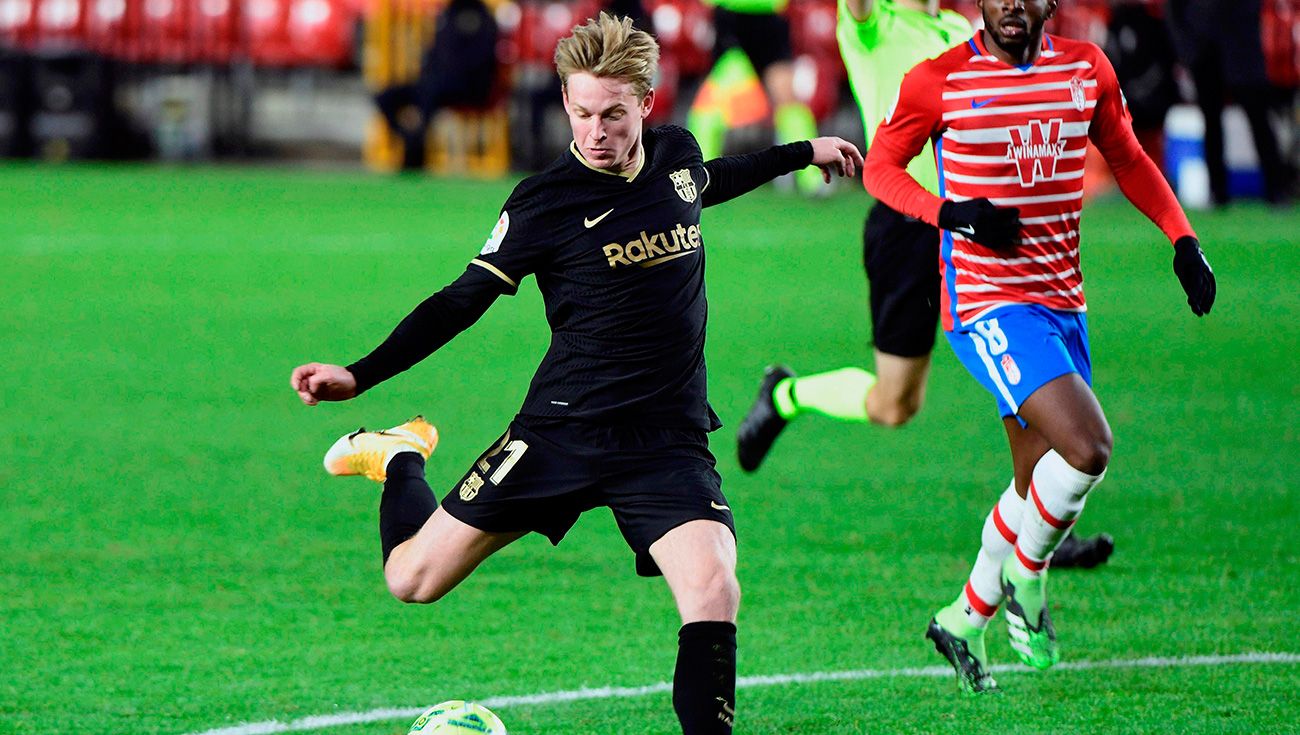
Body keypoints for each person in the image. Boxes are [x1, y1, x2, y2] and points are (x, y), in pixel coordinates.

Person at [291, 13, 862, 733]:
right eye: (583, 112)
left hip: (665, 440)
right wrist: (359, 373)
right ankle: (402, 456)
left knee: (715, 584)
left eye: (615, 115)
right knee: (411, 579)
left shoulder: (676, 156)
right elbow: (461, 301)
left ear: (647, 106)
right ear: (566, 103)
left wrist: (804, 150)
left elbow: (707, 181)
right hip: (561, 430)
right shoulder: (542, 203)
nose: (597, 131)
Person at [859, 0, 1216, 693]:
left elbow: (1130, 158)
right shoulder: (938, 80)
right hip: (989, 305)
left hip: (1063, 301)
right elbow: (880, 168)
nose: (1013, 4)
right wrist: (950, 212)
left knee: (1034, 485)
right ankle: (1028, 574)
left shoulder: (1086, 70)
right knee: (1088, 448)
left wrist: (1183, 239)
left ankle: (962, 618)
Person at [735, 0, 1115, 570]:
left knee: (1025, 368)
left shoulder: (957, 28)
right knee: (895, 404)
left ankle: (1039, 526)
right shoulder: (870, 23)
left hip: (975, 226)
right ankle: (786, 395)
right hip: (907, 226)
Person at [686, 0, 824, 194]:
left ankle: (812, 177)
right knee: (713, 102)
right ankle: (699, 176)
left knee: (787, 99)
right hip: (732, 19)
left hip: (769, 18)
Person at [1168, 0, 1291, 205]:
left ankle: (1277, 190)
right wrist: (1187, 50)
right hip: (1204, 50)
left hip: (1242, 48)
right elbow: (1174, 9)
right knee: (1211, 123)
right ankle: (1218, 192)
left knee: (1258, 118)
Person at [373, 0, 499, 170]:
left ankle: (415, 153)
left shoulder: (479, 14)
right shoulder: (446, 13)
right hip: (436, 83)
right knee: (385, 97)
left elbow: (481, 59)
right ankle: (409, 136)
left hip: (468, 86)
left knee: (429, 93)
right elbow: (434, 53)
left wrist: (449, 74)